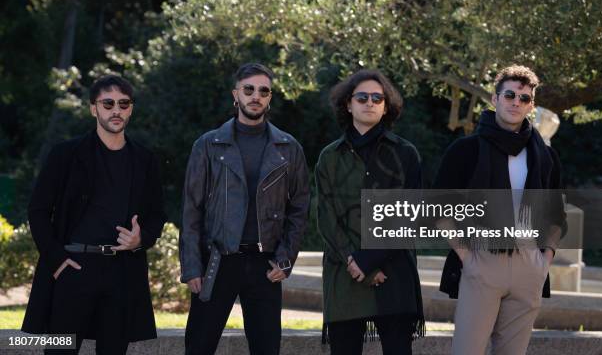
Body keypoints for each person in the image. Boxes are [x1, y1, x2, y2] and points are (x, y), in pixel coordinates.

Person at [22, 75, 167, 354]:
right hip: (72, 269)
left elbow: (157, 214)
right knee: (59, 350)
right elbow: (38, 211)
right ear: (93, 108)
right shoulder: (65, 154)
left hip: (122, 273)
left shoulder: (144, 159)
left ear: (131, 109)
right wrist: (57, 259)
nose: (116, 110)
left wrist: (142, 238)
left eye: (123, 104)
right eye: (108, 103)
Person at [435, 65, 567, 355]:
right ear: (495, 100)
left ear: (531, 105)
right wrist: (466, 257)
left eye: (524, 98)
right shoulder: (465, 150)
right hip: (482, 259)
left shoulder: (545, 155)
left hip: (529, 263)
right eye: (509, 95)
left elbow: (556, 214)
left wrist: (544, 260)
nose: (516, 102)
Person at [179, 62, 310, 355]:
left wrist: (286, 258)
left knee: (266, 349)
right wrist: (191, 267)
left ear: (270, 98)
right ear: (235, 94)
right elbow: (191, 210)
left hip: (266, 265)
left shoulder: (288, 147)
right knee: (198, 347)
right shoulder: (208, 145)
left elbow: (299, 209)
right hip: (217, 261)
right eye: (248, 89)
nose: (256, 96)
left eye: (264, 91)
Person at [315, 69, 425, 355]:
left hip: (394, 273)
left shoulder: (405, 153)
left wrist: (369, 261)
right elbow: (327, 217)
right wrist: (357, 263)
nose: (370, 102)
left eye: (378, 98)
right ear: (348, 104)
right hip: (344, 275)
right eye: (362, 97)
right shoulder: (329, 157)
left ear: (386, 106)